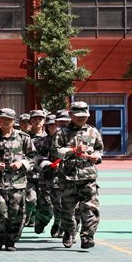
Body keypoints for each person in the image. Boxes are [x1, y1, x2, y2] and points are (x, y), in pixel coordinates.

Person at [0, 108, 36, 251]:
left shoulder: (23, 137)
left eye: (8, 119)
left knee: (16, 213)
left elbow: (33, 157)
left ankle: (11, 240)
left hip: (18, 182)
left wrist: (22, 163)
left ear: (13, 121)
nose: (5, 122)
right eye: (2, 119)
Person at [52, 101, 103, 249]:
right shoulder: (62, 133)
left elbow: (99, 149)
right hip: (68, 177)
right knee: (68, 210)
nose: (81, 118)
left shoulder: (93, 132)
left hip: (88, 177)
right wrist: (73, 150)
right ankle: (69, 231)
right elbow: (55, 151)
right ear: (71, 115)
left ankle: (87, 236)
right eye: (77, 116)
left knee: (91, 208)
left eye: (83, 116)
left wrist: (96, 156)